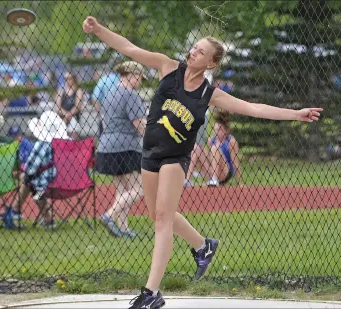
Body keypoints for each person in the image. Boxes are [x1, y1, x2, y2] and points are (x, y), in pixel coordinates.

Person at [82, 16, 323, 309]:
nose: (193, 52)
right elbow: (129, 49)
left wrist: (295, 114)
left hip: (175, 157)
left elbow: (254, 108)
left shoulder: (210, 94)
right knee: (158, 214)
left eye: (200, 51)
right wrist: (98, 30)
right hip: (149, 154)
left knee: (162, 220)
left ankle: (151, 293)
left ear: (210, 63)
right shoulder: (167, 67)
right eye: (193, 48)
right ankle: (203, 245)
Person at [95, 61, 147, 238]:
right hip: (125, 146)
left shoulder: (110, 93)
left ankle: (123, 229)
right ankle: (109, 216)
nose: (140, 81)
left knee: (123, 190)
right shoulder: (131, 95)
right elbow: (139, 123)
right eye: (139, 77)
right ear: (131, 75)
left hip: (107, 146)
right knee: (139, 189)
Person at [1, 111, 70, 229]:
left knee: (29, 181)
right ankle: (46, 218)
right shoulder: (65, 142)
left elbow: (29, 169)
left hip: (47, 184)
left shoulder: (41, 145)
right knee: (31, 182)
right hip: (68, 182)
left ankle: (15, 210)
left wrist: (22, 172)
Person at [207, 110, 242, 186]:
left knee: (215, 148)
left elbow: (235, 162)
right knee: (197, 149)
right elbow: (210, 160)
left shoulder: (231, 141)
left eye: (219, 129)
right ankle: (187, 180)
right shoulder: (211, 140)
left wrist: (240, 183)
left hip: (225, 172)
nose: (216, 132)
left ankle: (214, 179)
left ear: (225, 130)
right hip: (212, 171)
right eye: (215, 130)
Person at [90, 69, 120, 135]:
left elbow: (95, 97)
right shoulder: (120, 79)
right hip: (120, 112)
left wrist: (99, 113)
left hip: (106, 112)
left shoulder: (103, 80)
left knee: (105, 135)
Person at [56, 72, 83, 139]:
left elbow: (77, 107)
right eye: (66, 79)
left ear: (74, 79)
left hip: (74, 118)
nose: (68, 80)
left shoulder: (78, 91)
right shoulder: (61, 91)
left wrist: (69, 115)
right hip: (62, 118)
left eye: (70, 78)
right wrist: (65, 115)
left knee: (72, 133)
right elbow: (57, 106)